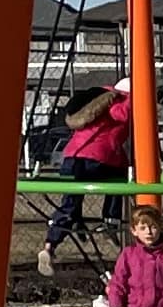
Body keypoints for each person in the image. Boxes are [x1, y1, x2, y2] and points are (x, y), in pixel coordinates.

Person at [37, 81, 136, 272]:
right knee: (120, 178)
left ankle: (50, 245)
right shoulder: (122, 100)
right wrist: (136, 101)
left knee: (70, 202)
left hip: (71, 156)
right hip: (98, 157)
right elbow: (121, 115)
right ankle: (111, 219)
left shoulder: (97, 98)